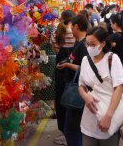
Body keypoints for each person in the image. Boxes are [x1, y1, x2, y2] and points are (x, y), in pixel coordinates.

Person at [78, 27, 123, 146]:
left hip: (108, 119)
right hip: (88, 121)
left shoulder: (112, 59)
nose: (89, 48)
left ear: (103, 43)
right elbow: (81, 85)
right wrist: (85, 96)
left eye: (93, 44)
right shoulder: (85, 60)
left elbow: (118, 88)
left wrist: (109, 116)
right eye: (87, 44)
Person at [56, 14, 88, 146]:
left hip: (78, 91)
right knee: (72, 128)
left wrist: (67, 65)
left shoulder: (84, 45)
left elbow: (84, 67)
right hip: (76, 89)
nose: (70, 29)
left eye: (72, 26)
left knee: (72, 129)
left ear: (76, 26)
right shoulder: (79, 43)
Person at [50, 10, 76, 146]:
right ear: (72, 21)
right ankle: (71, 132)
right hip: (73, 72)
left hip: (60, 71)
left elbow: (55, 51)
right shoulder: (75, 35)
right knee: (73, 100)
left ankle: (63, 132)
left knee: (60, 101)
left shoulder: (55, 35)